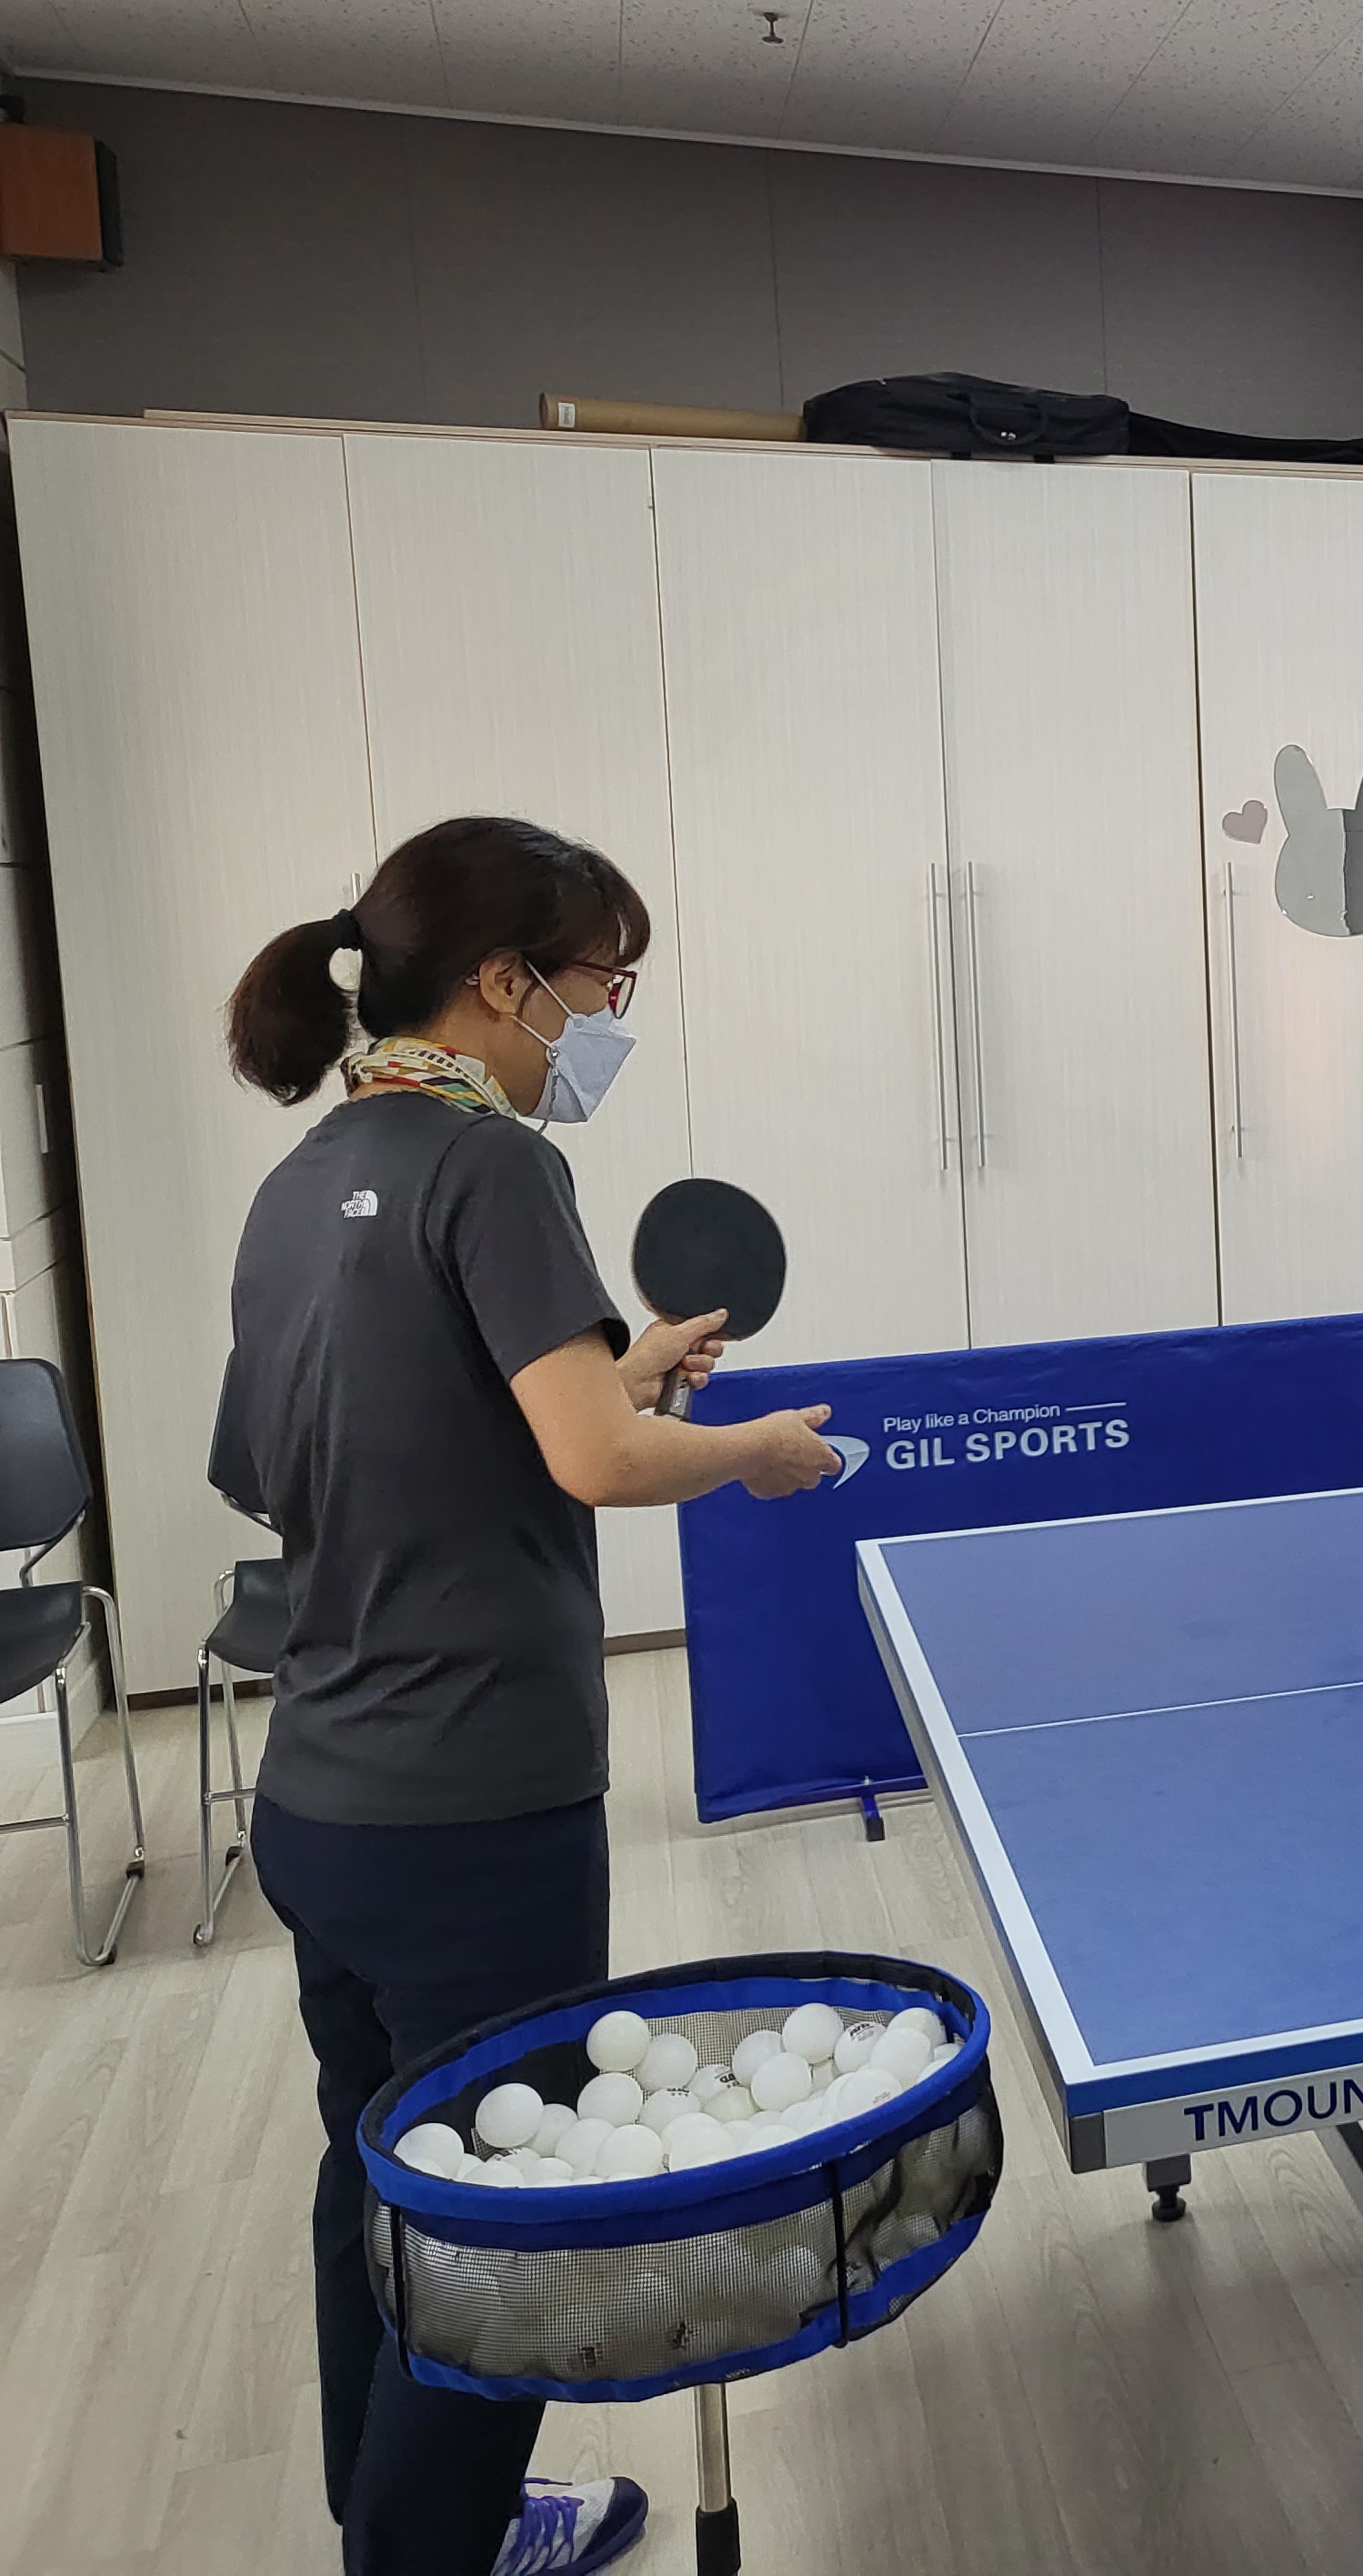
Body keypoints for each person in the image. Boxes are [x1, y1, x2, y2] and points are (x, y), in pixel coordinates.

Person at [217, 817, 842, 2576]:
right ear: (505, 982)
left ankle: (396, 2521)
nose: (608, 1020)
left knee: (376, 2166)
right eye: (601, 983)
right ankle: (429, 2552)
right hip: (476, 1808)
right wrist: (747, 1449)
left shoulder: (306, 1176)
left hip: (322, 1799)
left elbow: (305, 1458)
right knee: (502, 2214)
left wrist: (611, 1367)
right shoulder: (492, 1165)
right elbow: (591, 1465)